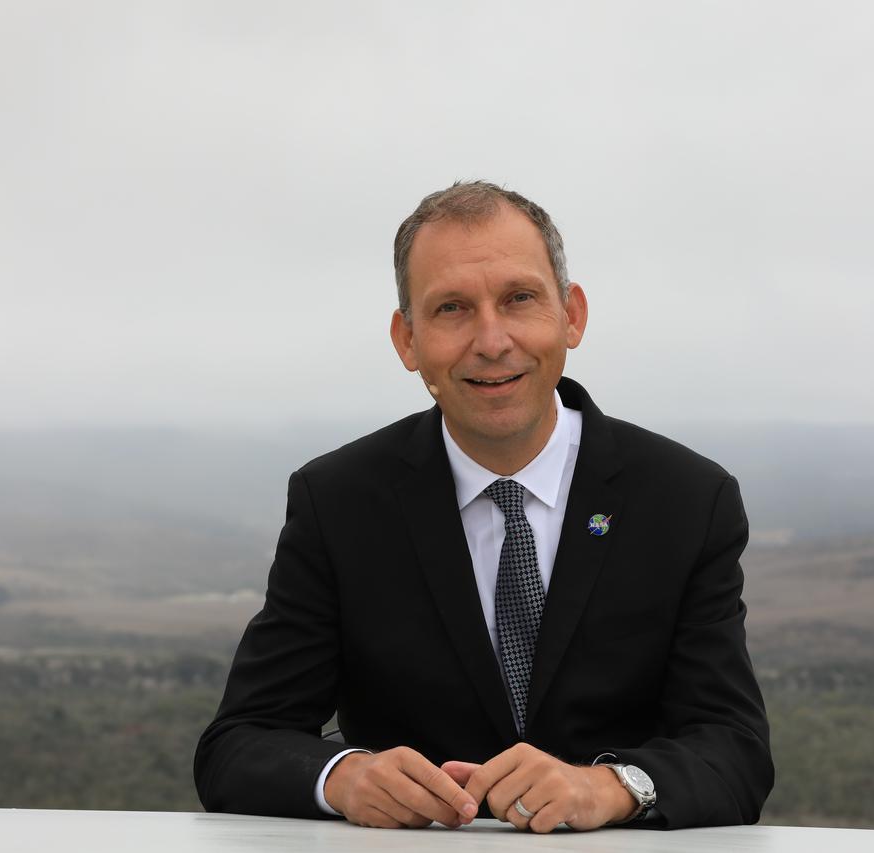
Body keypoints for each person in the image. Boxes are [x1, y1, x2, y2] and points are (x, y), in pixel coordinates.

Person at [194, 181, 773, 832]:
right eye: (452, 308)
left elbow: (736, 749)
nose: (492, 341)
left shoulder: (687, 499)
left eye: (519, 298)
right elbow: (237, 743)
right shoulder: (339, 502)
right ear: (407, 339)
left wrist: (608, 787)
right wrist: (346, 776)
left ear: (571, 314)